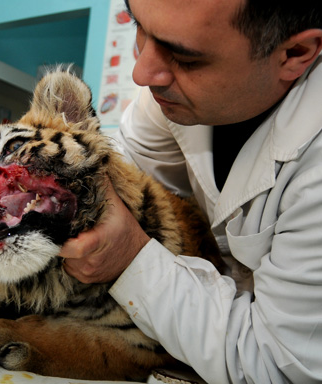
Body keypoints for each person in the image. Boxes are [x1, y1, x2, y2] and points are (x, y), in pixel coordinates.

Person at [60, 0, 322, 383]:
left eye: (184, 57)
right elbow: (124, 185)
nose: (141, 73)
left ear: (294, 53)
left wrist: (128, 261)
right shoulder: (171, 96)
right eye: (140, 27)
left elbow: (277, 367)